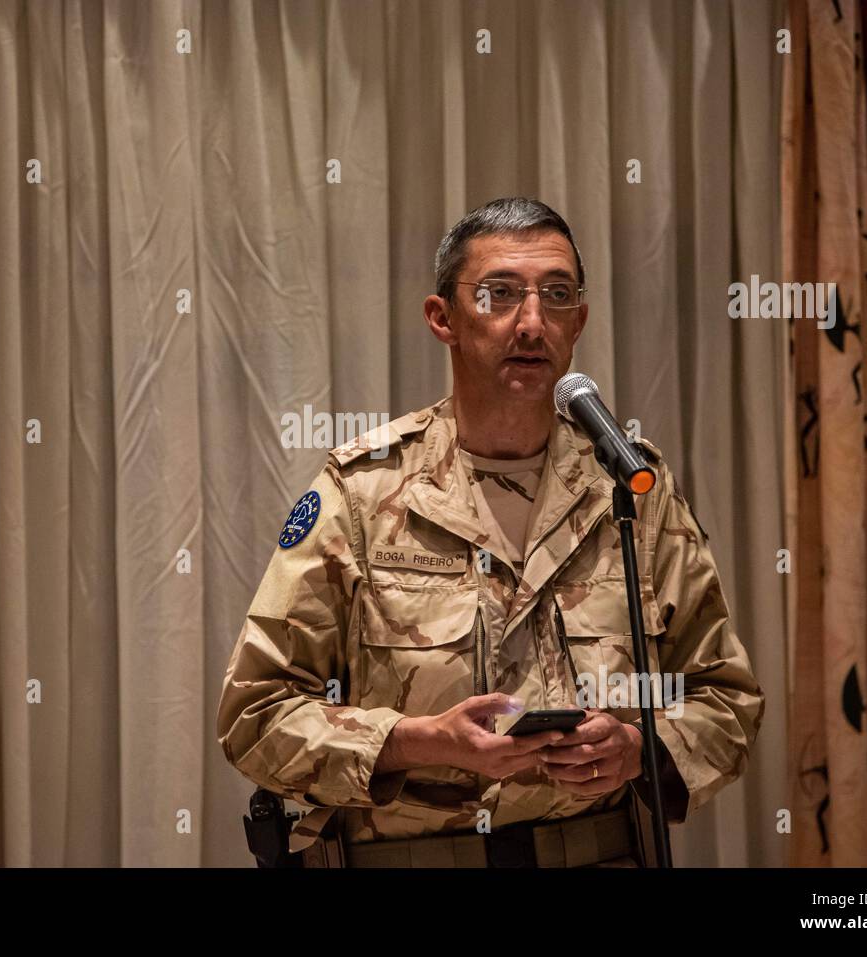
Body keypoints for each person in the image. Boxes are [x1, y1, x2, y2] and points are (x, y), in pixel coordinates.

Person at [217, 197, 765, 868]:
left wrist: (639, 747)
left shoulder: (629, 486)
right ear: (442, 318)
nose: (532, 322)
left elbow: (726, 697)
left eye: (557, 296)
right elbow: (255, 715)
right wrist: (420, 740)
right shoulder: (362, 492)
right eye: (499, 294)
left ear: (580, 321)